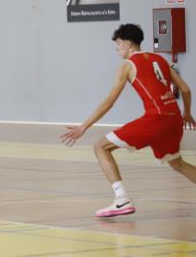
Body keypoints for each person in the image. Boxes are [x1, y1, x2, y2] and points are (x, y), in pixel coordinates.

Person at [61, 23, 196, 218]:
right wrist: (187, 113)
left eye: (117, 44)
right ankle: (121, 199)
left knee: (100, 147)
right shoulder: (161, 59)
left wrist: (84, 126)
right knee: (177, 162)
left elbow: (110, 101)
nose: (117, 49)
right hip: (174, 118)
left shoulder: (128, 65)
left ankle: (121, 199)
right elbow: (185, 89)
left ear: (127, 43)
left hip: (156, 119)